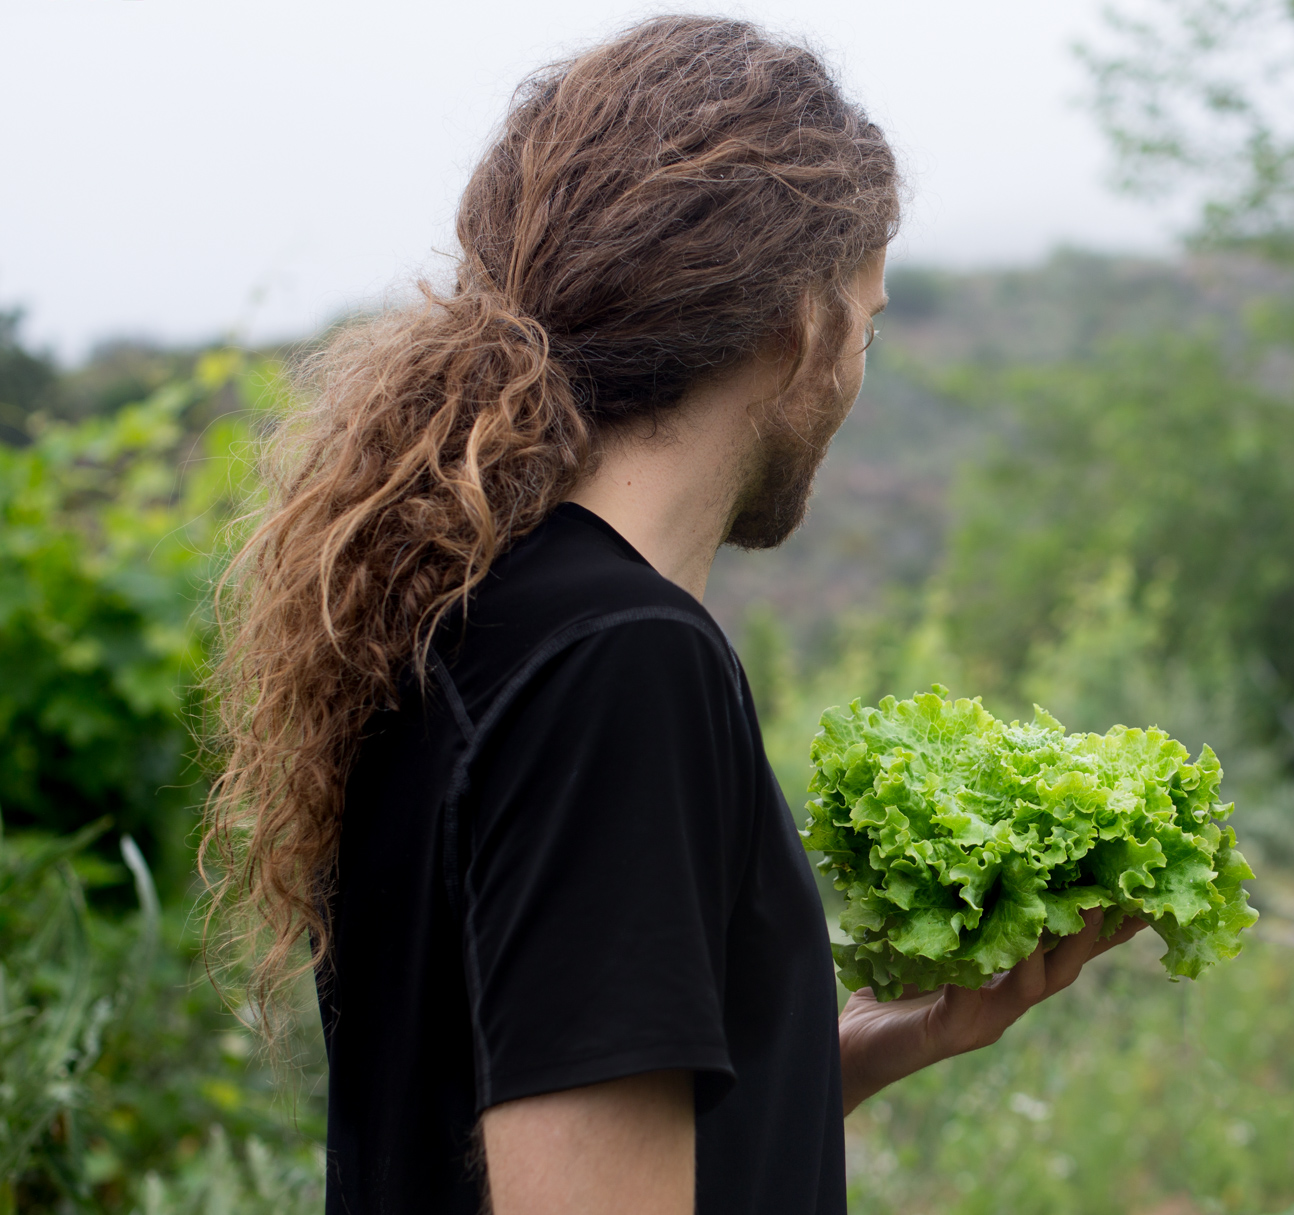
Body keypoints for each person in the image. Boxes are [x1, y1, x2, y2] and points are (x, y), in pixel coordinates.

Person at [203, 17, 1142, 1214]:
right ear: (801, 326)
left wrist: (858, 1046)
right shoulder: (625, 665)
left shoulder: (462, 617)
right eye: (872, 318)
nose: (863, 362)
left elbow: (511, 1133)